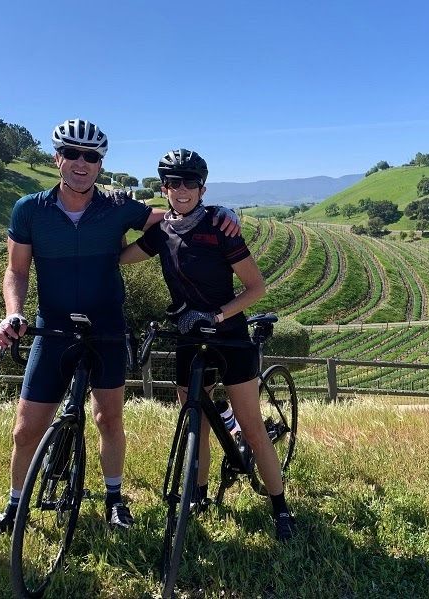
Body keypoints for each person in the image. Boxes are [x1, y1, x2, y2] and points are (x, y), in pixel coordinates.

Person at [0, 121, 240, 547]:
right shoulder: (29, 209)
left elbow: (172, 214)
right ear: (57, 158)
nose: (82, 163)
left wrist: (219, 212)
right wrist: (14, 313)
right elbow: (16, 270)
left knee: (108, 418)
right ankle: (13, 506)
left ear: (100, 164)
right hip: (54, 326)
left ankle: (115, 498)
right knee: (25, 430)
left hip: (108, 327)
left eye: (92, 157)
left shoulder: (116, 208)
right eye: (73, 154)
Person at [120, 149, 296, 541]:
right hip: (187, 336)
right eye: (173, 182)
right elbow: (121, 258)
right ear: (163, 187)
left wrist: (215, 316)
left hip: (229, 337)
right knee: (193, 416)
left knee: (250, 427)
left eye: (190, 182)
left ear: (202, 186)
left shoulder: (220, 227)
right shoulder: (162, 231)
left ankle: (280, 507)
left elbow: (256, 288)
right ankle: (197, 495)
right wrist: (115, 214)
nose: (182, 190)